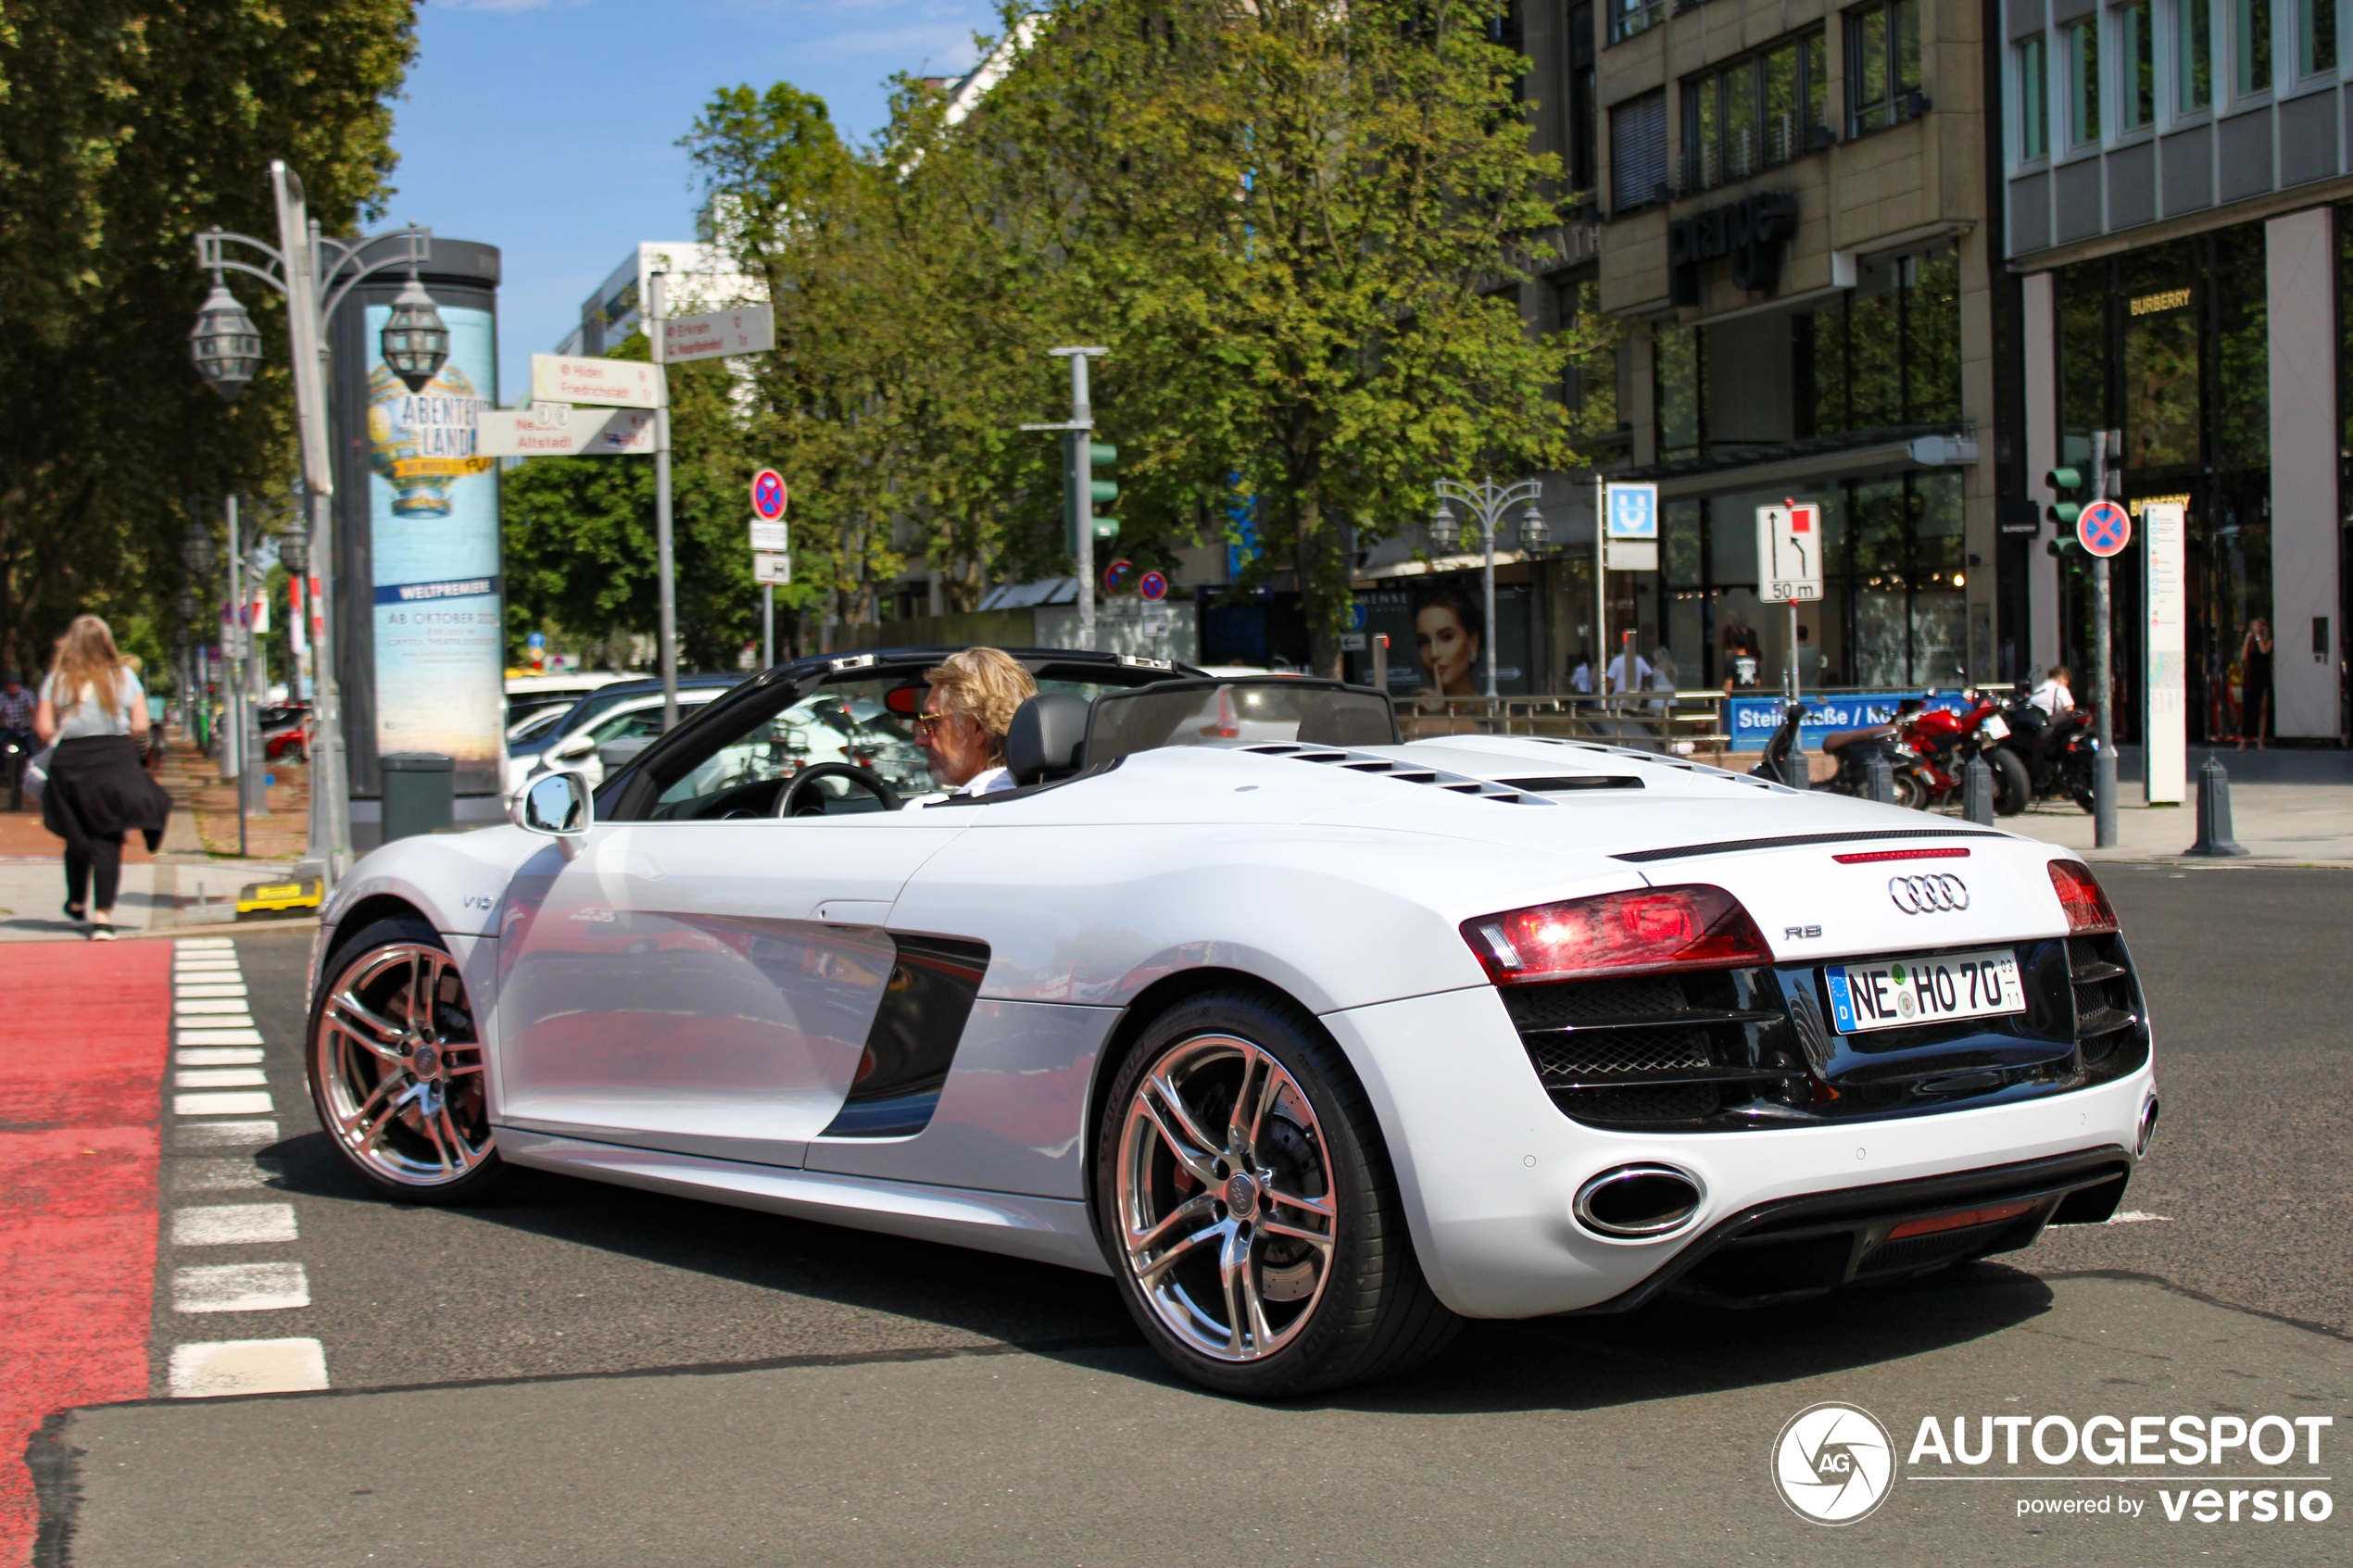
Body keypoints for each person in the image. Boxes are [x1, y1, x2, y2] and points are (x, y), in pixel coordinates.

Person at [34, 616, 172, 938]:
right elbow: (139, 725)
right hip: (114, 760)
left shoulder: (58, 678)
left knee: (77, 833)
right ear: (108, 643)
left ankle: (77, 901)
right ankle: (103, 917)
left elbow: (42, 729)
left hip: (69, 763)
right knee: (109, 835)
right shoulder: (124, 676)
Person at [912, 647, 1038, 796]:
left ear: (978, 728)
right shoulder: (1056, 798)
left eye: (932, 722)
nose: (920, 740)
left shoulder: (927, 813)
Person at [1414, 590, 1483, 696]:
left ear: (1473, 641)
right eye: (1424, 642)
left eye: (1447, 637)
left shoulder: (1499, 713)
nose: (1434, 654)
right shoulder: (1400, 713)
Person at [0, 671, 34, 810]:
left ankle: (31, 776)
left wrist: (34, 722)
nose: (12, 687)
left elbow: (33, 710)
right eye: (10, 685)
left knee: (32, 750)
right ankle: (1, 771)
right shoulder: (2, 697)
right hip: (8, 729)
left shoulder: (27, 694)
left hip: (25, 729)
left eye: (15, 684)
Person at [2238, 618, 2273, 751]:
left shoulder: (2268, 641)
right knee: (2249, 708)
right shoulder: (2251, 642)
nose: (2256, 628)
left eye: (2258, 626)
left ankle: (2261, 740)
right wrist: (2248, 639)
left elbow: (2264, 651)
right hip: (2251, 676)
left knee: (2262, 709)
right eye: (2254, 626)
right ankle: (2244, 740)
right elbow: (2242, 657)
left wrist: (2258, 637)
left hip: (2263, 676)